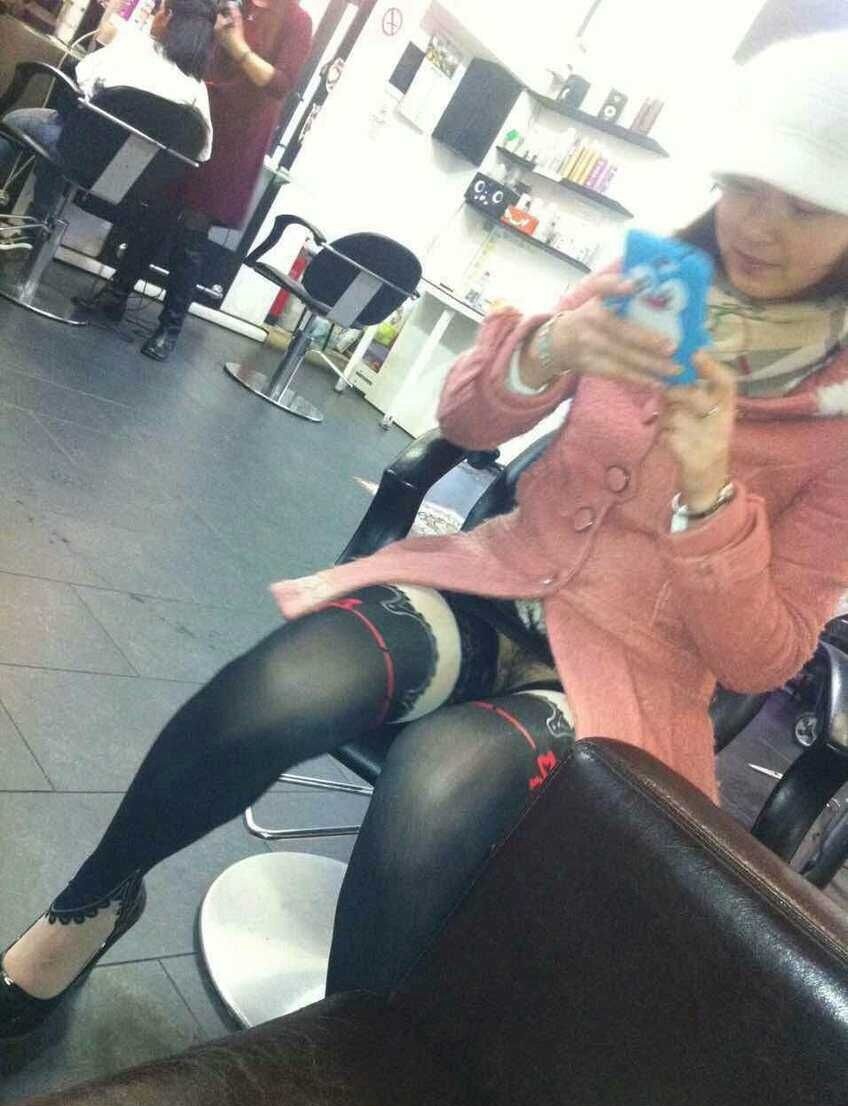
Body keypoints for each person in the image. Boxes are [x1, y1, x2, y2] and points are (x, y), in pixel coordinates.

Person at [3, 31, 848, 1038]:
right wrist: (546, 350)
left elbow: (764, 657)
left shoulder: (836, 419)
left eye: (806, 206)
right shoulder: (644, 284)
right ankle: (89, 907)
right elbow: (464, 421)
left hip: (624, 680)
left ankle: (356, 1065)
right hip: (494, 586)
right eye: (744, 186)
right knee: (274, 690)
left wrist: (710, 497)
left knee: (436, 790)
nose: (758, 224)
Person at [77, 0, 312, 362]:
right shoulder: (231, 3)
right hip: (194, 113)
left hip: (238, 136)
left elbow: (280, 85)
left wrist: (237, 46)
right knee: (155, 211)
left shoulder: (296, 20)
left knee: (192, 232)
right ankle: (115, 296)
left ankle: (169, 328)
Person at [0, 0, 215, 249]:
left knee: (20, 122)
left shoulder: (134, 47)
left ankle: (36, 224)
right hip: (127, 182)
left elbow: (81, 82)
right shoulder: (197, 89)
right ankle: (34, 230)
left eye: (158, 11)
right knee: (70, 138)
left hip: (78, 153)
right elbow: (202, 153)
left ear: (167, 16)